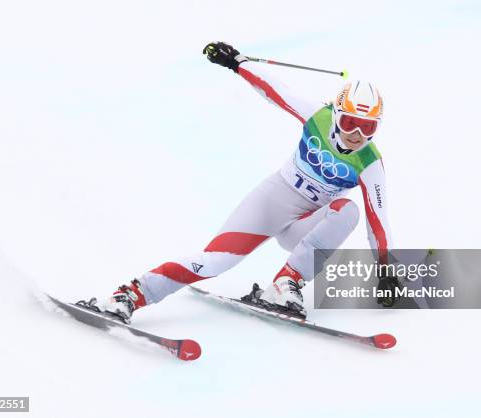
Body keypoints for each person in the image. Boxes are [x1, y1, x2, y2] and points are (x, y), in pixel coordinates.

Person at [96, 41, 398, 323]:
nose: (357, 134)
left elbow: (379, 224)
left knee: (349, 211)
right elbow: (275, 91)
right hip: (273, 202)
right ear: (336, 115)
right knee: (214, 262)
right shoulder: (317, 116)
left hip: (306, 227)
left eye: (368, 128)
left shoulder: (370, 164)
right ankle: (130, 296)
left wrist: (386, 271)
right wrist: (237, 63)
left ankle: (286, 282)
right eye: (349, 123)